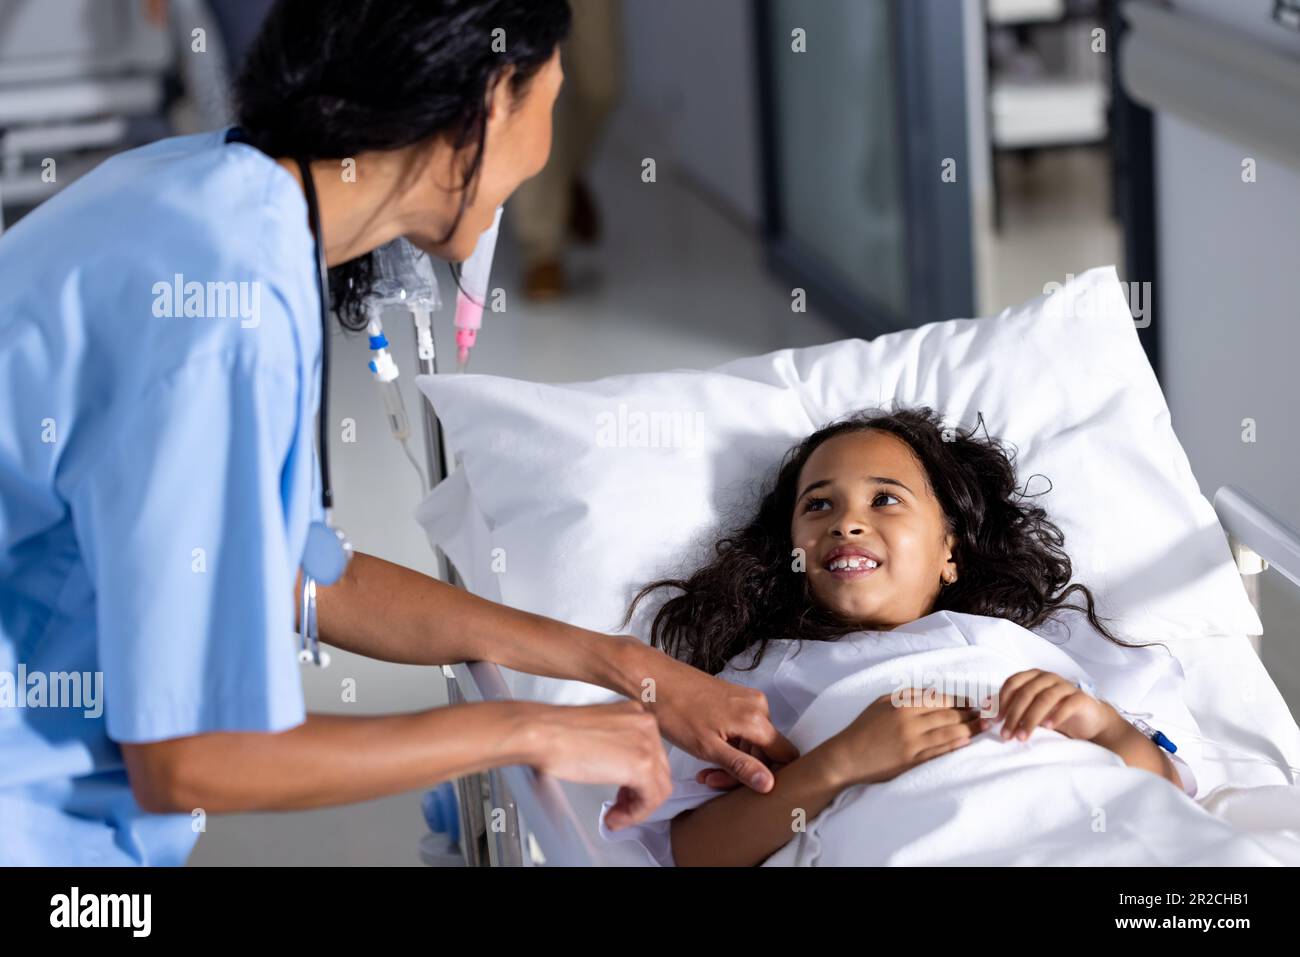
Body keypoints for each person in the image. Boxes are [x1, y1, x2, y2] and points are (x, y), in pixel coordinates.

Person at [0, 0, 794, 866]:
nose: (541, 154)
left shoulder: (220, 198)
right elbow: (189, 756)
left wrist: (628, 667)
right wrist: (523, 729)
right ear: (492, 100)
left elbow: (307, 578)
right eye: (551, 98)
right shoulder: (220, 317)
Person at [602, 408, 1199, 866]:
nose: (847, 522)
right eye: (818, 506)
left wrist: (1104, 726)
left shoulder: (1011, 645)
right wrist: (838, 765)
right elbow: (694, 850)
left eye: (885, 499)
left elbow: (1165, 790)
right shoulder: (767, 674)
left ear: (949, 552)